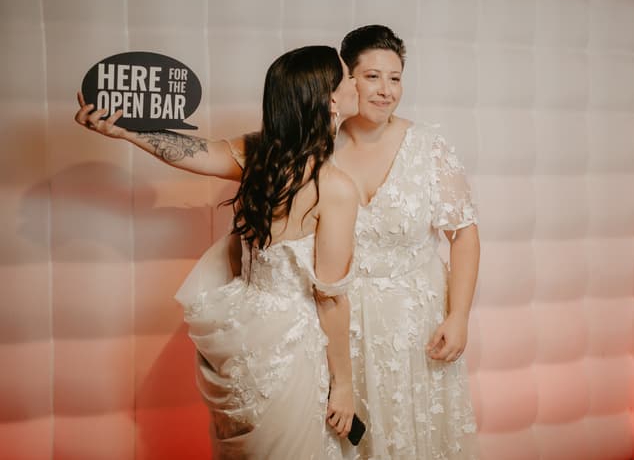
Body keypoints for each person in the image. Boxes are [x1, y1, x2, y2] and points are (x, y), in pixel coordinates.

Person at [76, 25, 480, 459]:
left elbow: (465, 234)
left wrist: (458, 316)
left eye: (396, 77)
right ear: (342, 86)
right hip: (330, 328)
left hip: (405, 326)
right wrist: (127, 131)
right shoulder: (299, 149)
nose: (384, 90)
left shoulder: (424, 147)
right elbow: (203, 153)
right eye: (367, 77)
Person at [80, 45, 361, 458]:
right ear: (331, 98)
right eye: (349, 76)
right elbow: (330, 299)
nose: (357, 81)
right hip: (291, 348)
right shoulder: (334, 187)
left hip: (245, 333)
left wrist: (124, 130)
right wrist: (344, 384)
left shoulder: (259, 153)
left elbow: (193, 154)